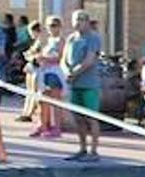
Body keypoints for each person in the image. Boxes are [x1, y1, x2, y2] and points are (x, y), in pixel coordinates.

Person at [62, 9, 103, 162]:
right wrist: (66, 71)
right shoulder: (71, 39)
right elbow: (64, 59)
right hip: (75, 85)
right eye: (76, 19)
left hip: (89, 84)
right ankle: (82, 148)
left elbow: (89, 60)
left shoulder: (93, 38)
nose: (78, 22)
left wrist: (75, 73)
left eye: (82, 19)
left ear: (87, 21)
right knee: (78, 118)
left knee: (91, 117)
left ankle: (94, 151)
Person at [29, 16, 67, 139]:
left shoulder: (61, 41)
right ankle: (43, 124)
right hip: (44, 72)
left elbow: (60, 58)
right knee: (42, 100)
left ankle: (57, 127)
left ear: (60, 27)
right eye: (50, 25)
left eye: (55, 25)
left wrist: (44, 58)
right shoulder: (47, 41)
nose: (52, 28)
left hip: (55, 73)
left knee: (55, 101)